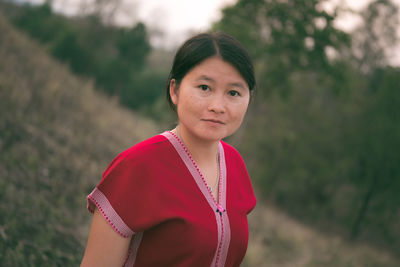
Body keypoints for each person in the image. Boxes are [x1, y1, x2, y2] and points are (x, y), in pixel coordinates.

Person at [81, 32, 256, 267]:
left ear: (248, 99)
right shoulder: (137, 166)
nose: (217, 106)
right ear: (175, 90)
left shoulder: (236, 166)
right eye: (204, 87)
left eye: (233, 93)